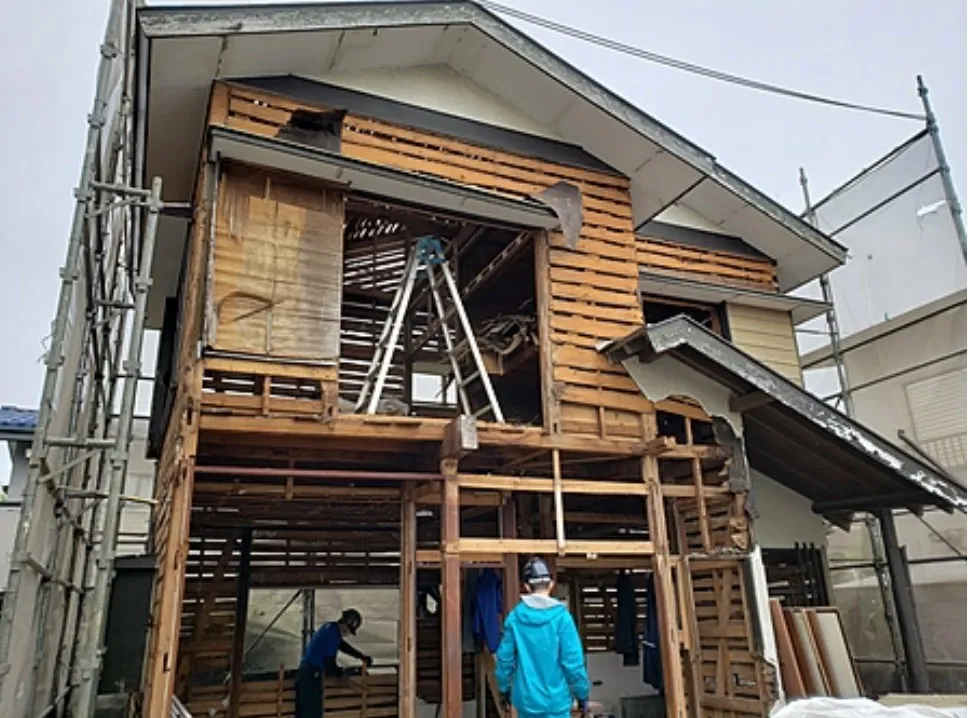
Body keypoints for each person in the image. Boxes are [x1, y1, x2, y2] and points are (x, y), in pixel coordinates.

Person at [495, 557, 591, 718]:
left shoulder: (514, 619)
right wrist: (582, 695)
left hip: (527, 704)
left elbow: (505, 660)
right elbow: (573, 662)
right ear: (551, 584)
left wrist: (503, 690)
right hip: (557, 704)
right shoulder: (562, 619)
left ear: (526, 586)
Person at [295, 608, 373, 718]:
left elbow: (342, 645)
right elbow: (329, 664)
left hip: (305, 673)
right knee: (312, 713)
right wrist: (342, 673)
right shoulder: (333, 635)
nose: (348, 634)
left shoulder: (330, 628)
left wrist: (360, 656)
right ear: (345, 625)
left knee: (304, 712)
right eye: (349, 630)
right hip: (312, 675)